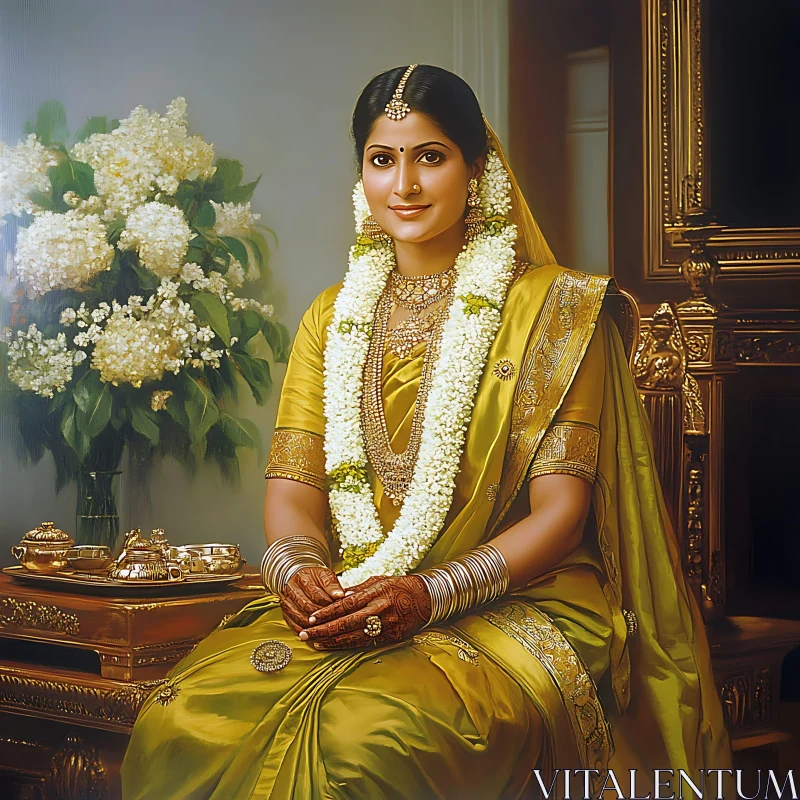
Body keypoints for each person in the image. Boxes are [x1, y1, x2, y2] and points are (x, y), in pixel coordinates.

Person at [121, 64, 732, 799]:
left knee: (364, 742)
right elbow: (293, 494)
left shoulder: (556, 314)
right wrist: (298, 574)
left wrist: (428, 593)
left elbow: (561, 517)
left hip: (520, 598)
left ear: (478, 170)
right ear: (361, 176)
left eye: (430, 157)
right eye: (383, 160)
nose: (404, 185)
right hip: (360, 600)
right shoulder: (330, 317)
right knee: (179, 720)